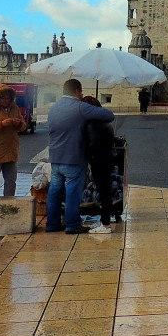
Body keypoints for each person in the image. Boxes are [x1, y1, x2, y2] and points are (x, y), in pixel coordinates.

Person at [46, 79, 115, 234]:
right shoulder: (80, 107)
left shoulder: (54, 108)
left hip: (55, 157)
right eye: (81, 91)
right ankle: (72, 224)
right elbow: (108, 115)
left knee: (55, 191)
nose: (82, 94)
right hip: (73, 157)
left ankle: (52, 224)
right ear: (77, 91)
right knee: (72, 191)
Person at [82, 96, 115, 234]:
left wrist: (87, 153)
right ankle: (104, 221)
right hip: (107, 157)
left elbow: (94, 144)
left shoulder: (92, 123)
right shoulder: (103, 121)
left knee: (103, 191)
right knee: (105, 190)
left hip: (99, 159)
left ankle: (105, 224)